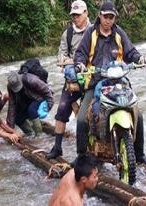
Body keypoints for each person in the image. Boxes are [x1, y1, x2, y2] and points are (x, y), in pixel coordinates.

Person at [73, 1, 146, 164]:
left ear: (114, 18)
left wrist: (140, 58)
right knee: (82, 119)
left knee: (138, 114)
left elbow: (131, 52)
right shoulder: (91, 34)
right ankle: (81, 156)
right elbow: (80, 54)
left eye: (111, 17)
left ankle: (139, 154)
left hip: (118, 82)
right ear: (99, 16)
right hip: (95, 82)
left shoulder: (119, 34)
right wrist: (80, 64)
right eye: (106, 16)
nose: (108, 20)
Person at [46, 0, 91, 159]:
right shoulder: (68, 33)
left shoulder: (94, 31)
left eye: (78, 15)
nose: (75, 18)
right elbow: (61, 54)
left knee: (93, 113)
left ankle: (92, 148)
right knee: (62, 109)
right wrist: (67, 62)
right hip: (73, 79)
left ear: (86, 13)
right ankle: (57, 147)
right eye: (73, 15)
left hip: (91, 77)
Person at [6, 71, 54, 138]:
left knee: (32, 110)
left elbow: (46, 90)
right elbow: (12, 105)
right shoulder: (10, 87)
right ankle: (30, 134)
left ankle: (39, 135)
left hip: (38, 98)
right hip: (25, 101)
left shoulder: (30, 79)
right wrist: (10, 129)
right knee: (17, 118)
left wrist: (49, 105)